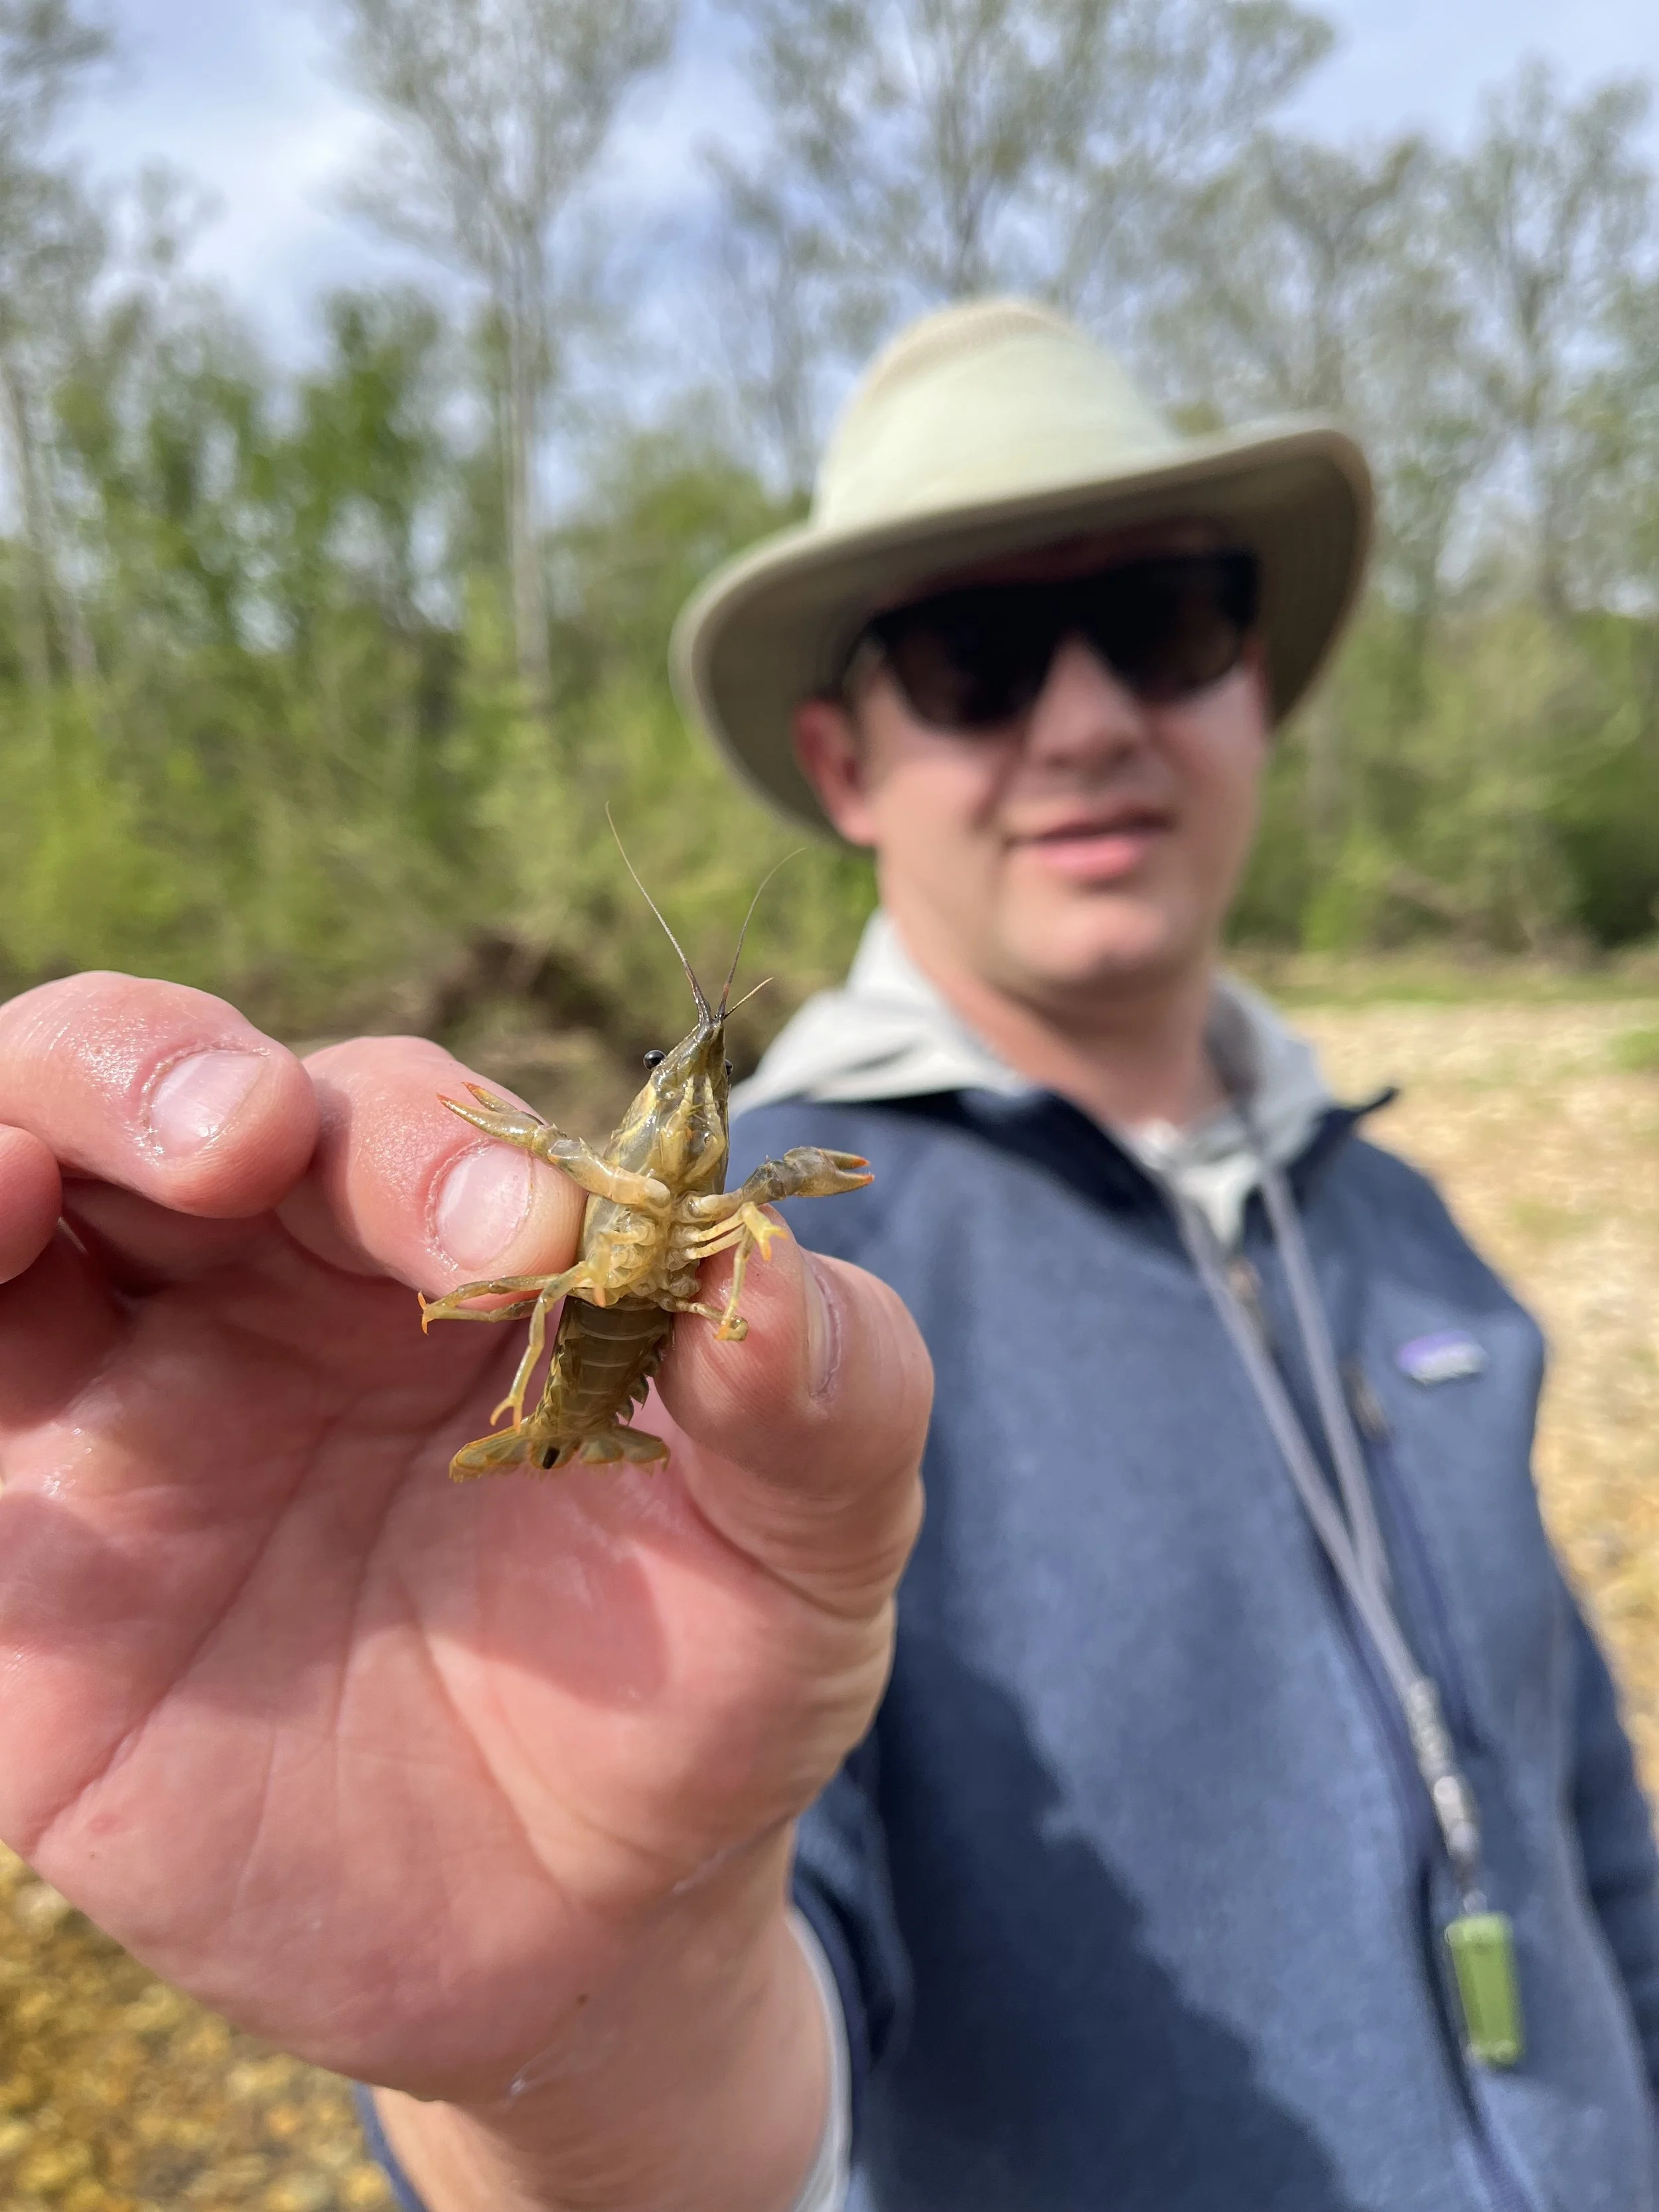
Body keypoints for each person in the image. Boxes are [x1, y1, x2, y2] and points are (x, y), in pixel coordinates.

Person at [0, 296, 1642, 2212]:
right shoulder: (809, 1290)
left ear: (1251, 683)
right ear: (840, 759)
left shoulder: (1409, 1226)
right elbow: (752, 2093)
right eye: (974, 658)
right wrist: (587, 2036)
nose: (1088, 720)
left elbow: (1585, 1820)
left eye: (1167, 621)